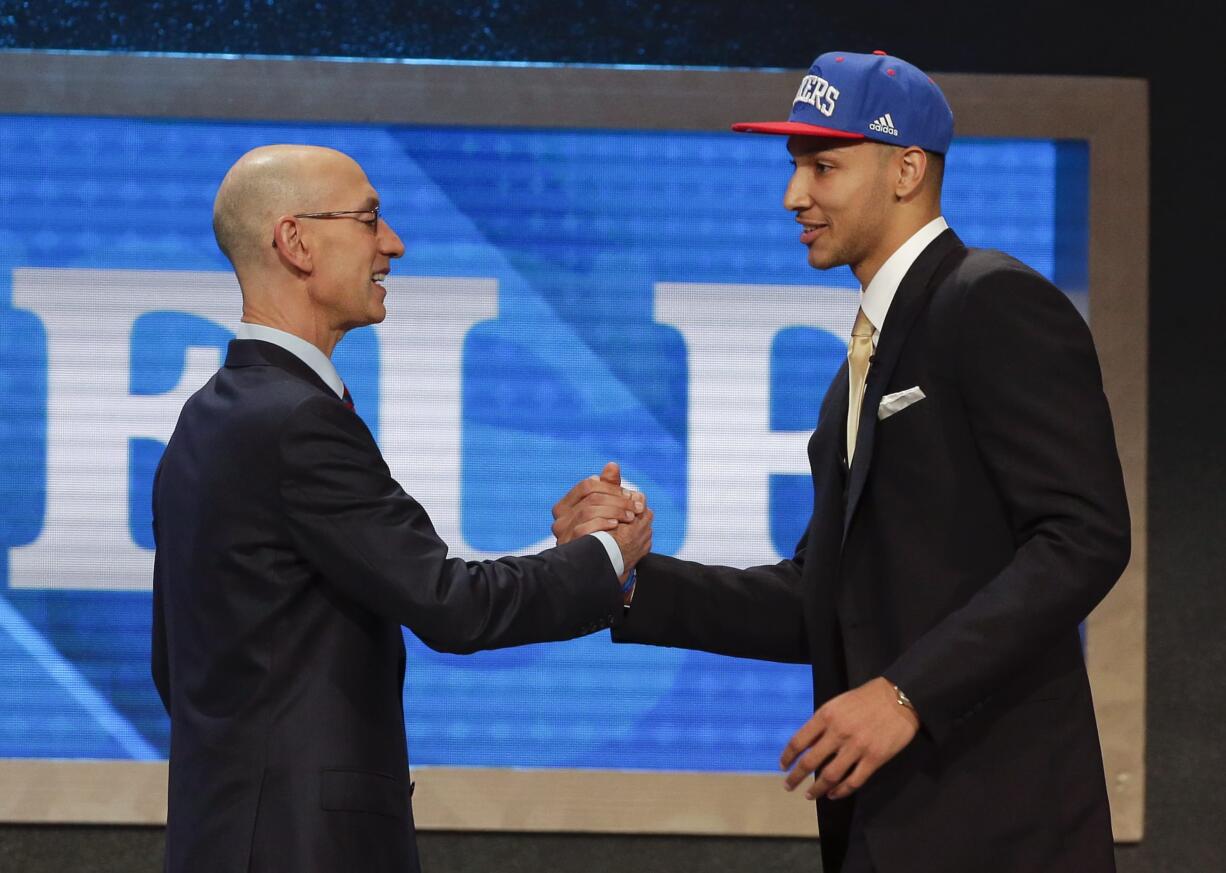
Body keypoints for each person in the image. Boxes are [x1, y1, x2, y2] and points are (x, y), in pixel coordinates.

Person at [554, 50, 1130, 873]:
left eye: (824, 166)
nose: (795, 195)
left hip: (1003, 830)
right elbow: (821, 600)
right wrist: (624, 575)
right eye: (795, 166)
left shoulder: (990, 301)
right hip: (886, 831)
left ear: (906, 170)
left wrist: (906, 694)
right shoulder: (861, 363)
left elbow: (1085, 536)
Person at [150, 144, 652, 873]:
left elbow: (176, 667)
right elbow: (453, 604)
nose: (394, 243)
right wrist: (607, 554)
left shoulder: (210, 416)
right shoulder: (297, 422)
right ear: (295, 241)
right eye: (369, 219)